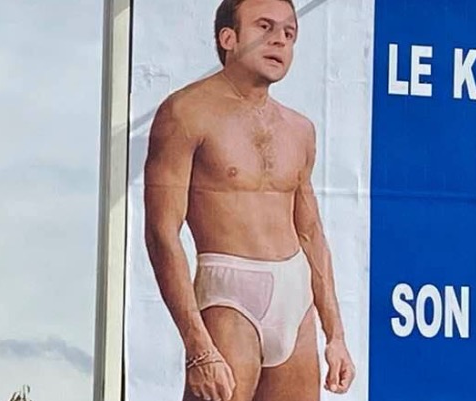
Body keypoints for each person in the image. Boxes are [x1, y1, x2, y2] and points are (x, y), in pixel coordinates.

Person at [143, 0, 355, 400]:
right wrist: (198, 347)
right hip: (230, 295)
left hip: (295, 300)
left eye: (289, 33)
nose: (280, 40)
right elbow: (161, 233)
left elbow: (310, 233)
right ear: (229, 38)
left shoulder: (300, 130)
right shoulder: (186, 113)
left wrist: (336, 335)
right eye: (264, 27)